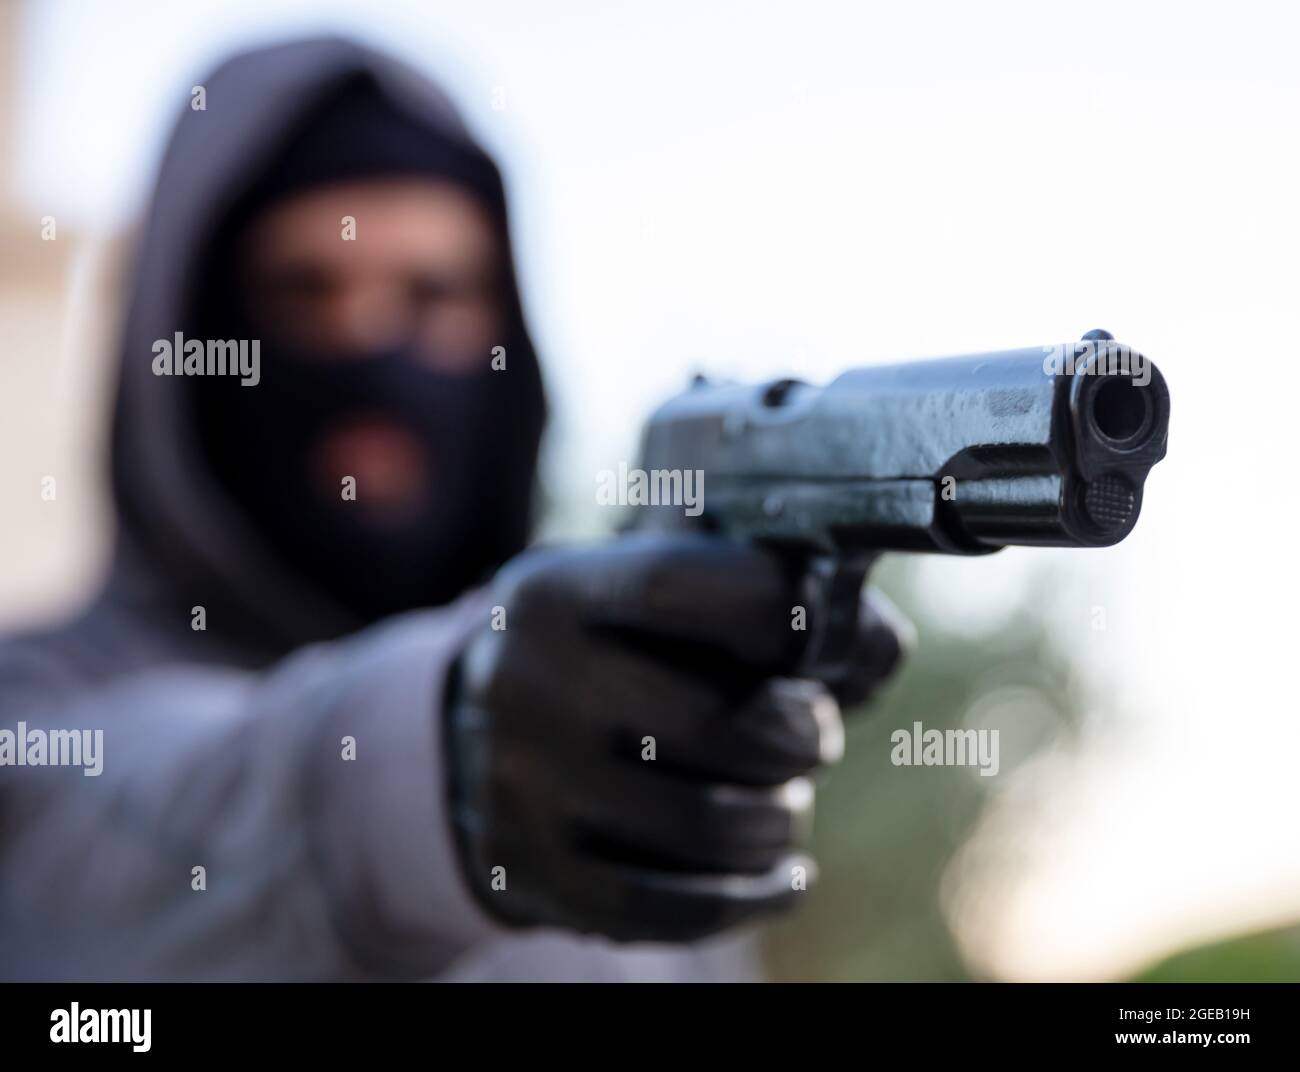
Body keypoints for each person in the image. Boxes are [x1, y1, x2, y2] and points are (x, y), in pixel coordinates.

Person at [0, 36, 906, 981]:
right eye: (303, 293)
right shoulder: (34, 714)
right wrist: (447, 760)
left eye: (434, 296)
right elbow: (109, 864)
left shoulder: (622, 755)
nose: (370, 348)